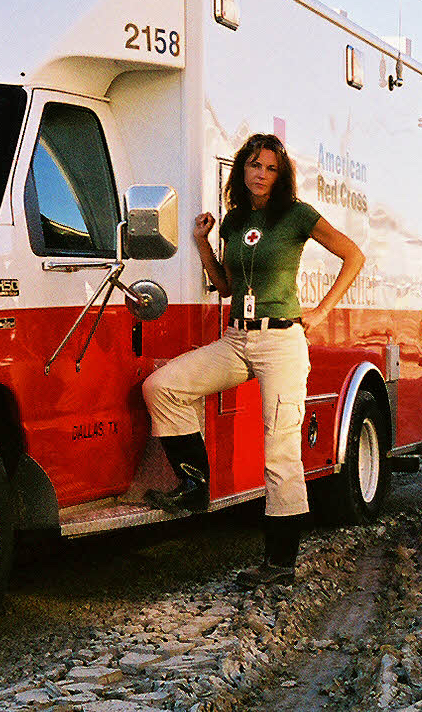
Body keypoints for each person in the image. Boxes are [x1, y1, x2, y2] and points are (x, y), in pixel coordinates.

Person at [142, 132, 365, 587]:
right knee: (162, 387)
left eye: (269, 168)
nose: (260, 174)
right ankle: (194, 486)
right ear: (240, 169)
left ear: (279, 176)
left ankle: (280, 563)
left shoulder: (297, 216)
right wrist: (202, 242)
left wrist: (321, 311)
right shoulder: (233, 221)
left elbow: (353, 255)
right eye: (253, 165)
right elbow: (225, 287)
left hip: (282, 342)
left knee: (279, 450)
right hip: (236, 338)